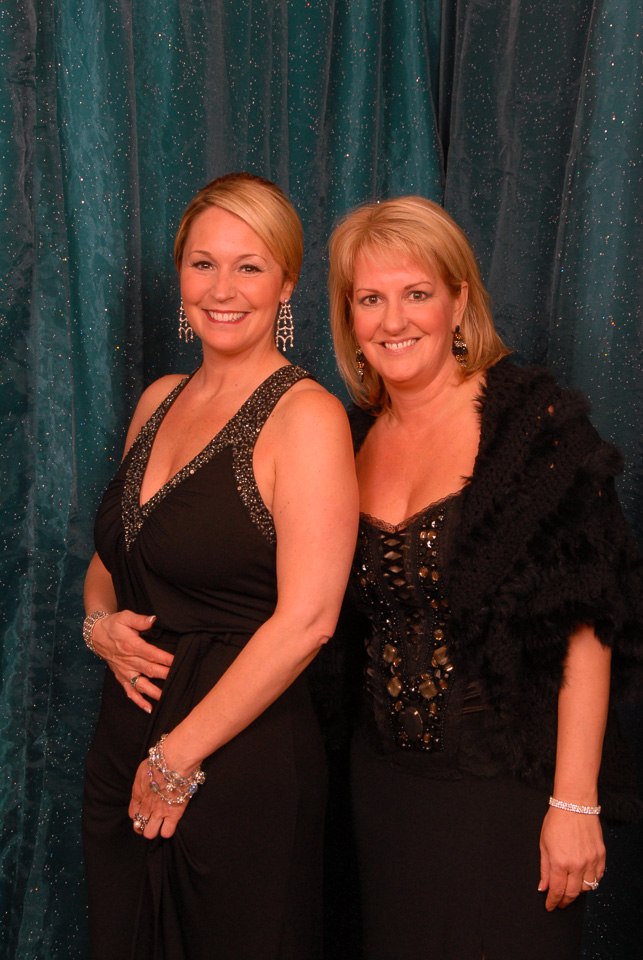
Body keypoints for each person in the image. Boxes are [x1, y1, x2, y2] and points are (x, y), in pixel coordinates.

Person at [327, 196, 642, 960]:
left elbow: (587, 625)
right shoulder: (345, 439)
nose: (393, 320)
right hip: (382, 793)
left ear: (458, 300)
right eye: (370, 299)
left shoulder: (532, 427)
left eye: (416, 293)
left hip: (508, 789)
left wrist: (574, 802)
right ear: (348, 317)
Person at [82, 172, 359, 960]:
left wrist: (177, 756)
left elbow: (309, 621)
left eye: (249, 266)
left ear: (286, 282)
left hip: (234, 759)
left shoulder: (307, 417)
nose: (222, 289)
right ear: (180, 275)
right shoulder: (159, 399)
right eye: (203, 264)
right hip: (123, 746)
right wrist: (99, 626)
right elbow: (112, 559)